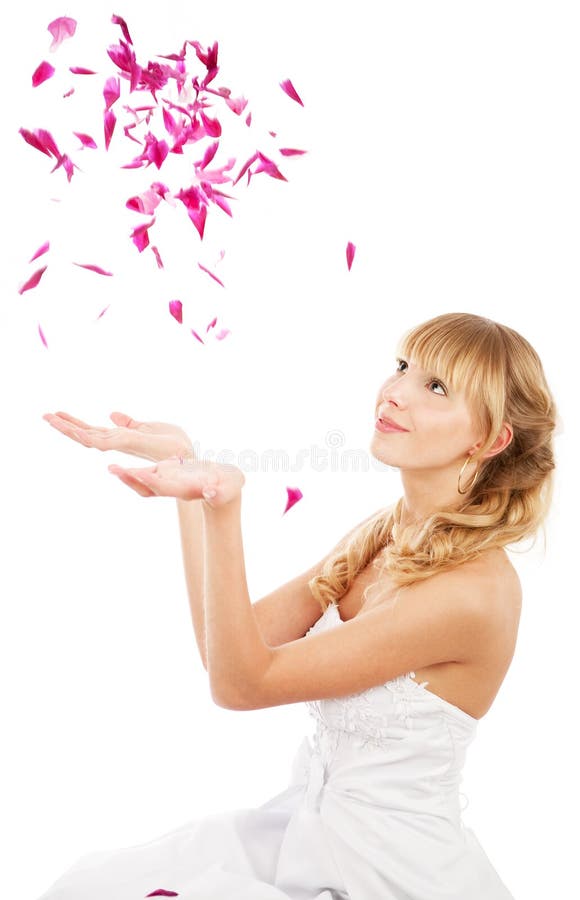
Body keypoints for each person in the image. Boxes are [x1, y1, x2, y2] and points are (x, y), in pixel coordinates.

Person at [37, 312, 557, 899]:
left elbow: (243, 685)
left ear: (491, 440)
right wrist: (188, 479)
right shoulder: (386, 533)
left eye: (437, 388)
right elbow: (225, 646)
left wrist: (223, 507)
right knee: (104, 882)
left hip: (387, 875)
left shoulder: (471, 593)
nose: (396, 393)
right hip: (312, 837)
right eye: (404, 367)